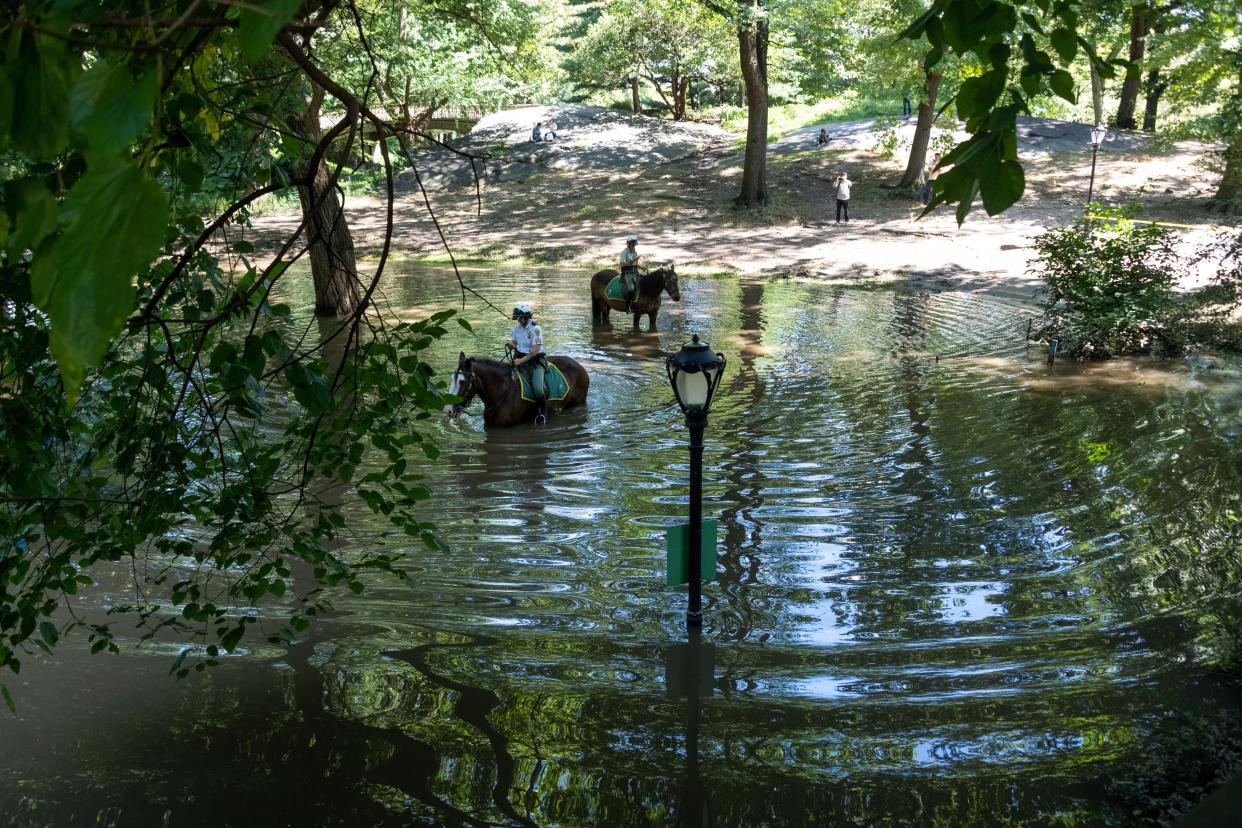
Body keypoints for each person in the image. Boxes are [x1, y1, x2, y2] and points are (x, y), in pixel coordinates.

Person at [510, 303, 548, 424]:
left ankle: (543, 414)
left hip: (535, 361)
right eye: (517, 318)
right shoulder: (516, 328)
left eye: (520, 317)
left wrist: (520, 361)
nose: (518, 320)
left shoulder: (536, 329)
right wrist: (511, 345)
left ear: (527, 316)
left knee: (538, 389)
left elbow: (535, 350)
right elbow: (515, 343)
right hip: (519, 359)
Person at [619, 234, 641, 311]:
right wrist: (632, 261)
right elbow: (622, 265)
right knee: (631, 289)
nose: (634, 246)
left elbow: (635, 264)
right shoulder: (623, 253)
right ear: (628, 244)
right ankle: (628, 306)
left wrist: (641, 267)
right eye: (632, 245)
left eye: (635, 245)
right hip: (626, 272)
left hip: (634, 271)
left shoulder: (635, 252)